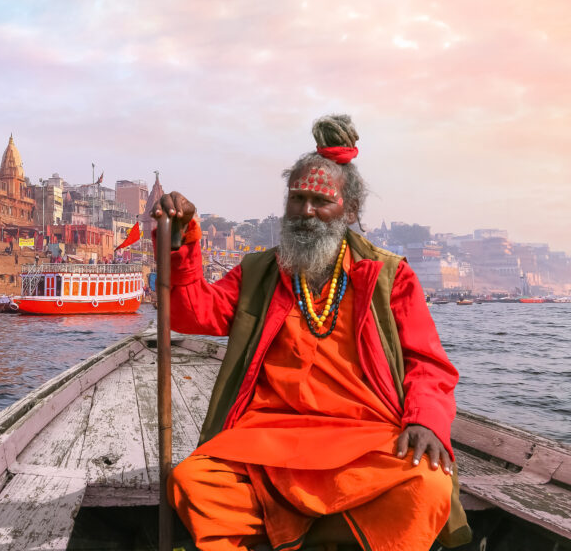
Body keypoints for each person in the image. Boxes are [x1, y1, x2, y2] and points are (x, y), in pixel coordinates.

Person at [152, 115, 467, 551]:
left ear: (350, 211)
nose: (305, 211)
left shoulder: (388, 276)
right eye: (296, 199)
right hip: (266, 437)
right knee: (193, 483)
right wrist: (182, 242)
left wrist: (425, 421)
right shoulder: (260, 271)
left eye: (320, 200)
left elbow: (428, 364)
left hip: (364, 438)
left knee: (428, 486)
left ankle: (299, 535)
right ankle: (331, 535)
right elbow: (191, 315)